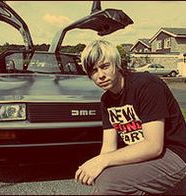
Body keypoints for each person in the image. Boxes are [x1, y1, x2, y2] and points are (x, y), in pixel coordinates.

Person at [75, 39, 186, 195]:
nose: (100, 75)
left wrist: (100, 161)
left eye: (105, 66)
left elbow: (154, 146)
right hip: (145, 157)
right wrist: (97, 167)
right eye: (93, 71)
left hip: (174, 155)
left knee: (109, 183)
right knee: (102, 177)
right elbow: (108, 147)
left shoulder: (146, 85)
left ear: (117, 64)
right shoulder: (106, 100)